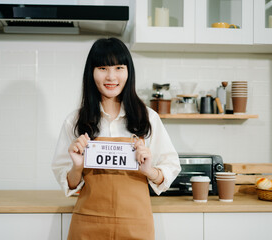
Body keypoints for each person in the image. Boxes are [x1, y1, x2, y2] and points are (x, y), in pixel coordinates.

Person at [52, 37, 181, 240]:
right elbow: (68, 183)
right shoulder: (75, 121)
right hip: (88, 225)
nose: (111, 76)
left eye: (119, 67)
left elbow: (171, 166)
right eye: (103, 68)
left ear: (128, 72)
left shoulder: (148, 118)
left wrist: (150, 171)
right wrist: (77, 166)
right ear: (91, 73)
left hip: (135, 225)